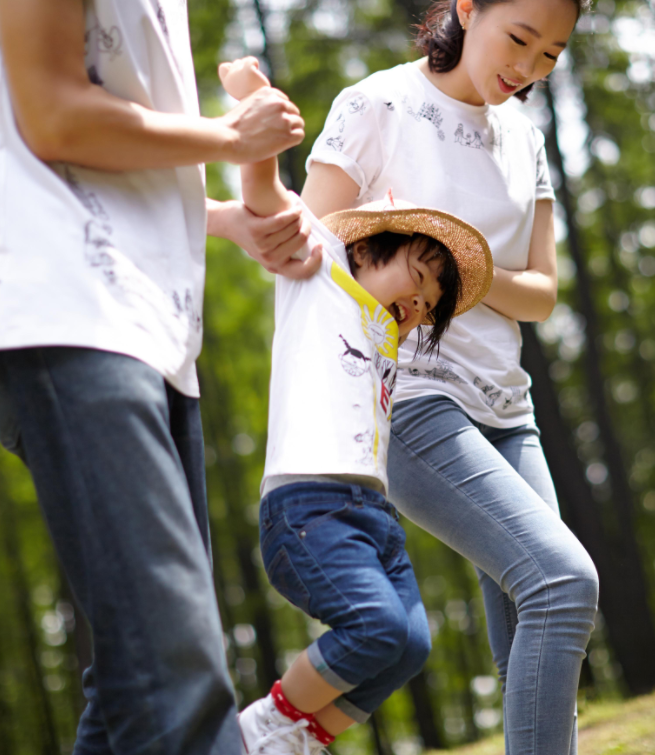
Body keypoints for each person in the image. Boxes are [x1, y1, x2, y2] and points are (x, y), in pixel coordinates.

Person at [0, 2, 320, 752]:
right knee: (177, 683)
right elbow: (52, 116)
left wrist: (223, 218)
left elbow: (113, 125)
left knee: (130, 684)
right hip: (63, 305)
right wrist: (230, 137)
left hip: (148, 323)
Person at [300, 0, 598, 753]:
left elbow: (541, 291)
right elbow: (310, 245)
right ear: (468, 8)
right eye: (519, 39)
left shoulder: (523, 136)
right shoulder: (378, 104)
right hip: (414, 399)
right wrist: (401, 258)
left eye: (550, 57)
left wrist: (456, 255)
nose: (526, 69)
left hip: (509, 407)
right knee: (563, 584)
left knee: (535, 631)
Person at [217, 57, 494, 755]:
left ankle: (303, 736)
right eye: (419, 276)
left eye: (431, 305)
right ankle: (250, 730)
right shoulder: (322, 274)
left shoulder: (386, 332)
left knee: (409, 644)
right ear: (371, 245)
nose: (419, 303)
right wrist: (255, 103)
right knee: (375, 627)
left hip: (372, 511)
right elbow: (271, 201)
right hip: (308, 505)